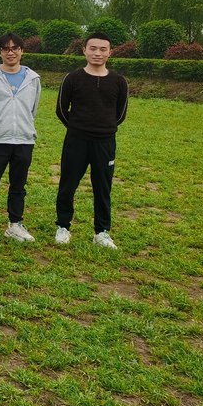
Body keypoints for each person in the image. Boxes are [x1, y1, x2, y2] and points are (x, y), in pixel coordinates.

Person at [55, 33, 128, 249]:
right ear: (84, 51)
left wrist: (104, 128)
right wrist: (78, 127)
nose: (98, 53)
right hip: (76, 141)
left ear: (110, 52)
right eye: (93, 48)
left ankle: (102, 232)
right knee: (68, 184)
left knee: (103, 188)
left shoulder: (119, 81)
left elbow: (120, 114)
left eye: (103, 49)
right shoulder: (72, 78)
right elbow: (61, 110)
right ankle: (63, 226)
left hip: (105, 143)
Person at [0, 33, 40, 242]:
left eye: (14, 48)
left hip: (24, 140)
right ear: (0, 52)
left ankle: (15, 224)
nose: (10, 52)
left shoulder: (33, 79)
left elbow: (32, 108)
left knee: (18, 186)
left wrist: (24, 126)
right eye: (5, 49)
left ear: (22, 51)